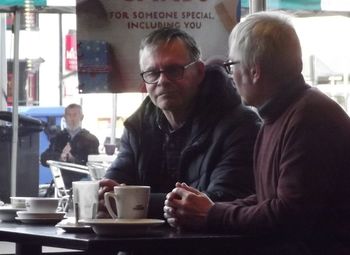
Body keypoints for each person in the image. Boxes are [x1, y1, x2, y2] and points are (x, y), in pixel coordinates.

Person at [163, 12, 350, 254]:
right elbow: (268, 200)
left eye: (231, 66)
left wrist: (211, 213)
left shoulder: (311, 117)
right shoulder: (284, 113)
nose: (229, 76)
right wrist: (206, 207)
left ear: (254, 71)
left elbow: (289, 216)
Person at [99, 27, 261, 218]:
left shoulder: (241, 126)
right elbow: (113, 190)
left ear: (200, 72)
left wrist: (131, 202)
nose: (162, 81)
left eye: (174, 70)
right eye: (152, 73)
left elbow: (223, 201)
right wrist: (104, 193)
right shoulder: (137, 127)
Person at [41, 103, 99, 189]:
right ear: (64, 117)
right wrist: (60, 157)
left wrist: (73, 159)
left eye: (75, 115)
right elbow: (43, 158)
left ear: (82, 117)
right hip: (62, 185)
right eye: (69, 115)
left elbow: (94, 166)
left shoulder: (91, 140)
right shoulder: (58, 138)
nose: (72, 119)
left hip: (83, 185)